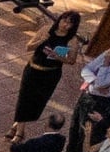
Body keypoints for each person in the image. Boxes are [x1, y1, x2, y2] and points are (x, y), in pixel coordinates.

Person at [10, 10, 83, 142]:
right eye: (64, 21)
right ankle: (20, 131)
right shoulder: (46, 30)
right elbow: (29, 47)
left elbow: (72, 60)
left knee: (37, 101)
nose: (65, 25)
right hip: (33, 69)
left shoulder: (72, 41)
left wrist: (58, 57)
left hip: (50, 74)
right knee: (24, 98)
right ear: (60, 19)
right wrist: (41, 41)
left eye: (69, 24)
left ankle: (18, 123)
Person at [77, 44, 110, 152]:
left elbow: (102, 82)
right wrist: (94, 81)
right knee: (75, 125)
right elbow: (87, 69)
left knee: (86, 131)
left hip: (100, 100)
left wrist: (106, 63)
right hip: (88, 92)